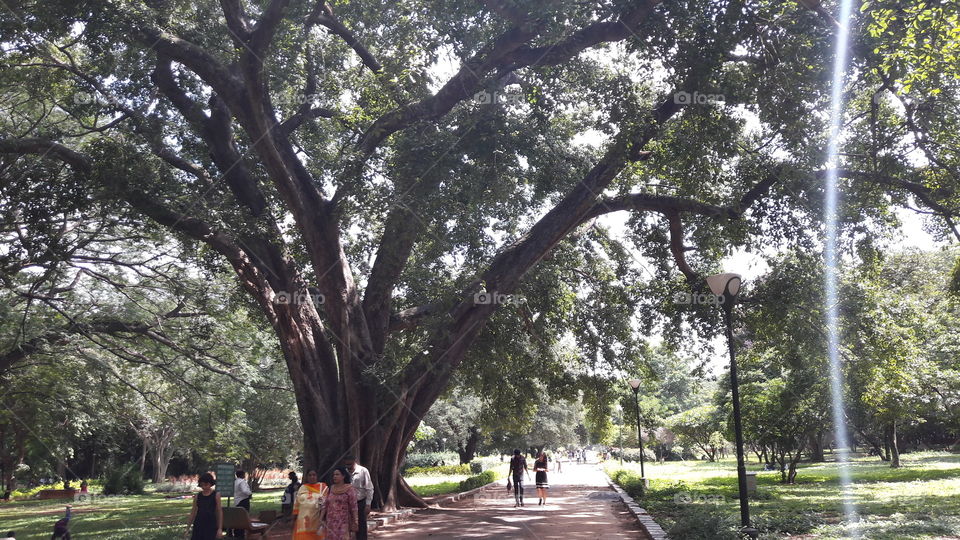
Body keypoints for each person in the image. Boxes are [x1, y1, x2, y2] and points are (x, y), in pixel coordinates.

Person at [319, 467, 358, 540]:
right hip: (330, 522)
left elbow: (354, 507)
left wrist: (355, 521)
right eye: (334, 475)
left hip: (343, 522)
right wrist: (321, 518)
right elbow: (326, 504)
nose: (334, 476)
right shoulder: (331, 488)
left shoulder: (350, 489)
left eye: (337, 474)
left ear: (343, 476)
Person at [185, 472, 223, 540]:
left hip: (211, 524)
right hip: (199, 524)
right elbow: (193, 513)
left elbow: (219, 512)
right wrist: (188, 528)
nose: (204, 487)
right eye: (202, 485)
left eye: (206, 485)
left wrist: (220, 528)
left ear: (210, 484)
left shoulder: (216, 495)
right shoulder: (197, 496)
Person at [344, 455, 373, 540]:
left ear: (354, 461)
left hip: (360, 502)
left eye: (350, 464)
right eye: (346, 465)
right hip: (347, 503)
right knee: (347, 525)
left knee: (361, 526)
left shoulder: (363, 471)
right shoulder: (344, 472)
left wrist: (368, 504)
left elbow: (369, 488)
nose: (348, 467)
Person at [292, 469, 328, 540]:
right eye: (310, 475)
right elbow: (297, 504)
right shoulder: (302, 488)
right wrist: (293, 519)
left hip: (316, 519)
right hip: (302, 520)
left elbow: (324, 505)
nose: (312, 477)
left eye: (314, 475)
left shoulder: (323, 487)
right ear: (307, 477)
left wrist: (321, 519)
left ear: (317, 476)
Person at [232, 469, 253, 538]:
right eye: (244, 474)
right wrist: (249, 493)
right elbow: (244, 490)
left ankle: (237, 533)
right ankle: (241, 534)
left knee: (238, 518)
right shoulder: (242, 481)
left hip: (237, 501)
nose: (245, 475)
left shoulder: (235, 482)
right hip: (243, 501)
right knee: (244, 518)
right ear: (242, 475)